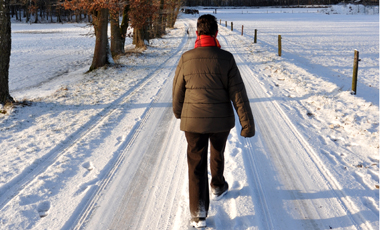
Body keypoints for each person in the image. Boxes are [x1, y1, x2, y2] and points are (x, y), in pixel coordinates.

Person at [172, 14, 255, 228]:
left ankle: (199, 213)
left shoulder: (186, 58)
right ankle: (218, 186)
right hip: (220, 122)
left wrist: (179, 111)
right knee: (217, 151)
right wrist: (247, 124)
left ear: (198, 32)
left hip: (194, 122)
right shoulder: (226, 58)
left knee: (196, 163)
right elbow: (238, 93)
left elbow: (177, 91)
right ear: (216, 33)